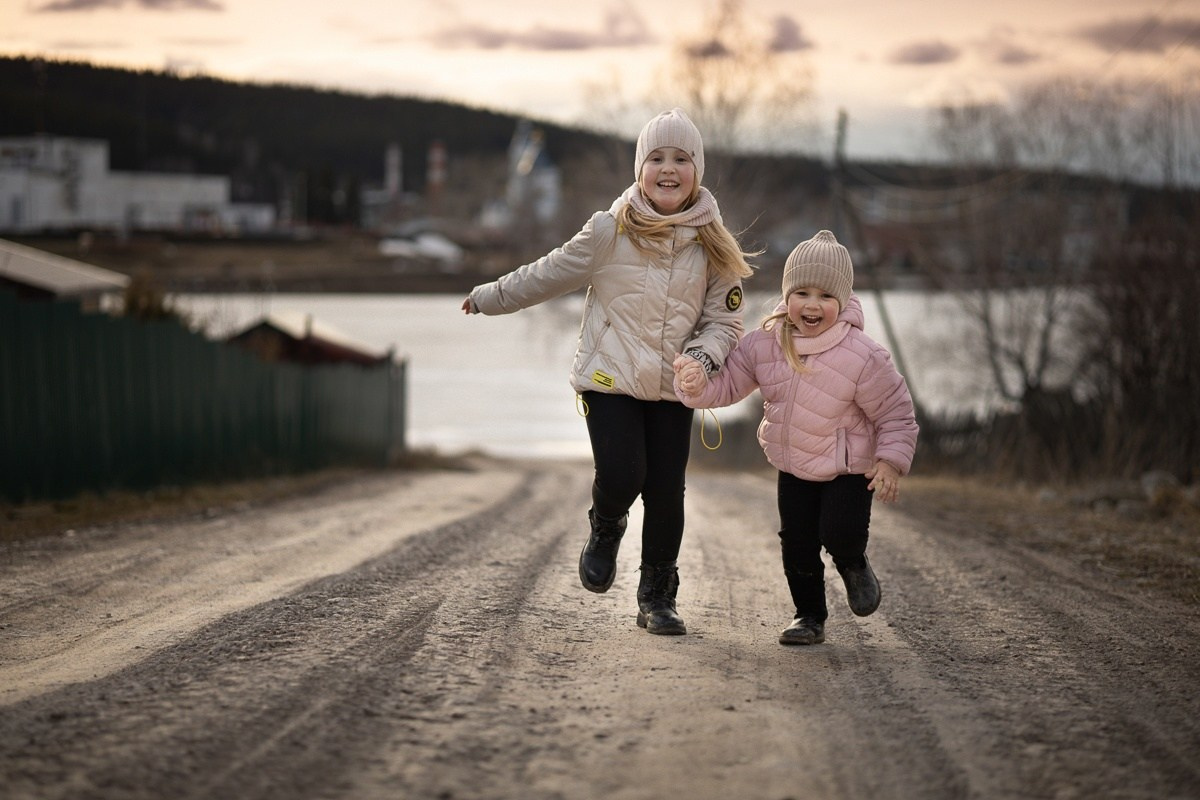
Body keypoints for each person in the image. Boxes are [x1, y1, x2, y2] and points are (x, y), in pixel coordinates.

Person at [462, 108, 755, 635]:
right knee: (623, 473)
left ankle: (657, 597)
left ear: (698, 170)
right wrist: (489, 297)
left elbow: (725, 322)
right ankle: (606, 524)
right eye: (657, 158)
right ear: (640, 168)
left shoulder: (715, 247)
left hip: (673, 385)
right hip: (609, 379)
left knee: (667, 491)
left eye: (681, 159)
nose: (669, 169)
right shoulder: (607, 232)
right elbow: (545, 275)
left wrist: (703, 359)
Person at [673, 229, 918, 645]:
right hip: (794, 464)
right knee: (797, 543)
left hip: (848, 468)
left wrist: (890, 461)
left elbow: (895, 413)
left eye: (825, 296)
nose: (812, 304)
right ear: (787, 297)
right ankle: (809, 616)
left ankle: (853, 563)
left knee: (841, 531)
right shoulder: (765, 344)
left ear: (842, 302)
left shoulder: (863, 355)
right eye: (801, 293)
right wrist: (696, 385)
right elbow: (730, 384)